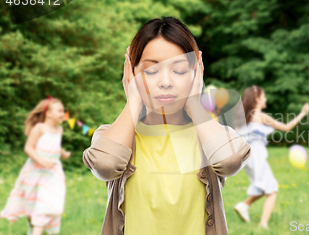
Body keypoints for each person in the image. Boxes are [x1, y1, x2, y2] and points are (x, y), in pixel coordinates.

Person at [82, 16, 251, 235]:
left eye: (179, 71)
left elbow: (230, 161)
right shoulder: (114, 136)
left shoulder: (209, 137)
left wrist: (193, 102)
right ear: (130, 72)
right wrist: (133, 101)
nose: (165, 82)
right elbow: (105, 164)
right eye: (150, 71)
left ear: (196, 72)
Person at [233, 86, 309, 229]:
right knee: (272, 189)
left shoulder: (241, 118)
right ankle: (263, 224)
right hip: (257, 156)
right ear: (257, 99)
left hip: (244, 158)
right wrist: (302, 114)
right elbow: (286, 128)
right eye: (263, 96)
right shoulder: (261, 116)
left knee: (263, 185)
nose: (265, 99)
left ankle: (244, 205)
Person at [1, 96, 71, 235]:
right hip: (35, 171)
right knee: (32, 203)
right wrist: (42, 161)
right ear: (48, 113)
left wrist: (63, 153)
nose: (63, 114)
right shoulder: (39, 128)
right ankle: (33, 229)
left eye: (63, 111)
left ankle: (37, 229)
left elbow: (55, 146)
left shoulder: (59, 130)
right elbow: (29, 148)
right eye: (59, 111)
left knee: (47, 203)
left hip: (52, 173)